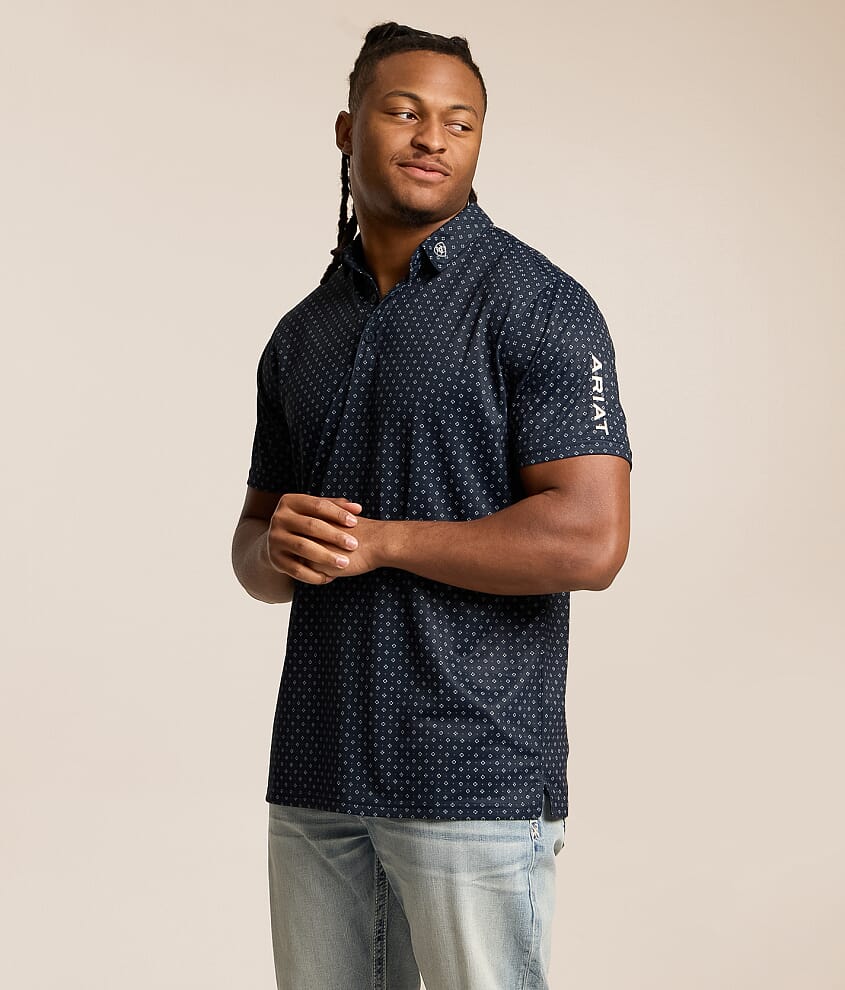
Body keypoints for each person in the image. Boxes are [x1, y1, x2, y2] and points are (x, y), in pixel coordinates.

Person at [231, 21, 632, 990]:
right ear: (347, 128)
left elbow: (591, 539)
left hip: (473, 779)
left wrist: (382, 542)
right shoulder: (301, 334)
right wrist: (274, 549)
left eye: (459, 122)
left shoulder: (538, 305)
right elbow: (252, 551)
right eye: (404, 112)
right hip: (317, 773)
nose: (431, 138)